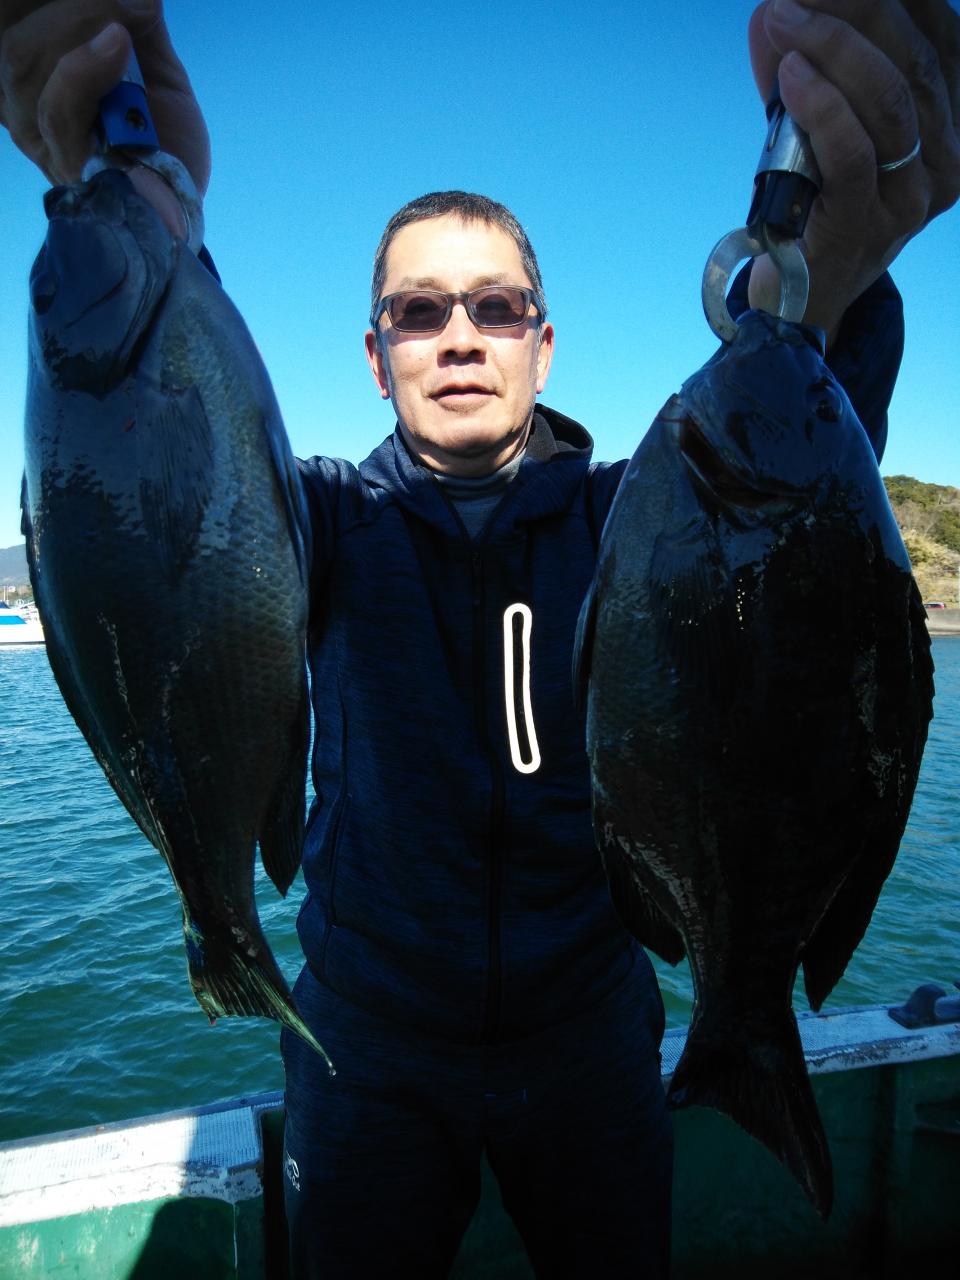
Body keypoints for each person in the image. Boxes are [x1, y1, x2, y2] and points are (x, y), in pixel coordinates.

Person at [1, 2, 958, 1276]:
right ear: (376, 353)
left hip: (593, 1032)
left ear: (543, 346)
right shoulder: (318, 518)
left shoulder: (641, 513)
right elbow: (184, 463)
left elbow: (800, 513)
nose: (459, 334)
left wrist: (833, 288)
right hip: (367, 1044)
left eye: (497, 307)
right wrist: (149, 215)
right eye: (418, 310)